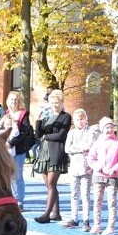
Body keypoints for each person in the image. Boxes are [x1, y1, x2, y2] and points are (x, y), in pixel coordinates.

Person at [32, 89, 72, 223]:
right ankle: (56, 212)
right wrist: (39, 120)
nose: (55, 105)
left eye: (58, 102)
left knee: (51, 183)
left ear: (62, 103)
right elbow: (37, 134)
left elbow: (61, 135)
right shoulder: (47, 116)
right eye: (53, 102)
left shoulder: (66, 116)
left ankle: (47, 214)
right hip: (44, 152)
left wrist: (46, 136)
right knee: (50, 186)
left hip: (56, 152)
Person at [88, 117, 118, 235]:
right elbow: (91, 158)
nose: (109, 130)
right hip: (98, 176)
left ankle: (111, 227)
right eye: (107, 127)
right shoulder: (97, 143)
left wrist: (114, 169)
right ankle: (97, 224)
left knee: (112, 202)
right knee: (97, 202)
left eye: (111, 127)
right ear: (102, 129)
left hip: (112, 177)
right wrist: (99, 167)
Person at [63, 108, 99, 230]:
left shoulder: (91, 132)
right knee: (74, 193)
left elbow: (89, 146)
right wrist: (80, 149)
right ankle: (74, 217)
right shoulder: (71, 133)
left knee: (85, 194)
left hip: (86, 168)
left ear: (86, 119)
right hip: (74, 167)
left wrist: (77, 148)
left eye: (82, 119)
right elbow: (67, 148)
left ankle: (86, 219)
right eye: (77, 119)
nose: (80, 121)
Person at [2, 91, 34, 209]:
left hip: (18, 149)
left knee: (18, 175)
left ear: (19, 101)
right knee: (8, 176)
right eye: (11, 99)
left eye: (16, 99)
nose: (14, 102)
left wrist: (10, 143)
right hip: (6, 150)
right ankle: (11, 198)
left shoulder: (23, 114)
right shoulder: (5, 114)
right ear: (8, 101)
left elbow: (23, 132)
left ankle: (19, 201)